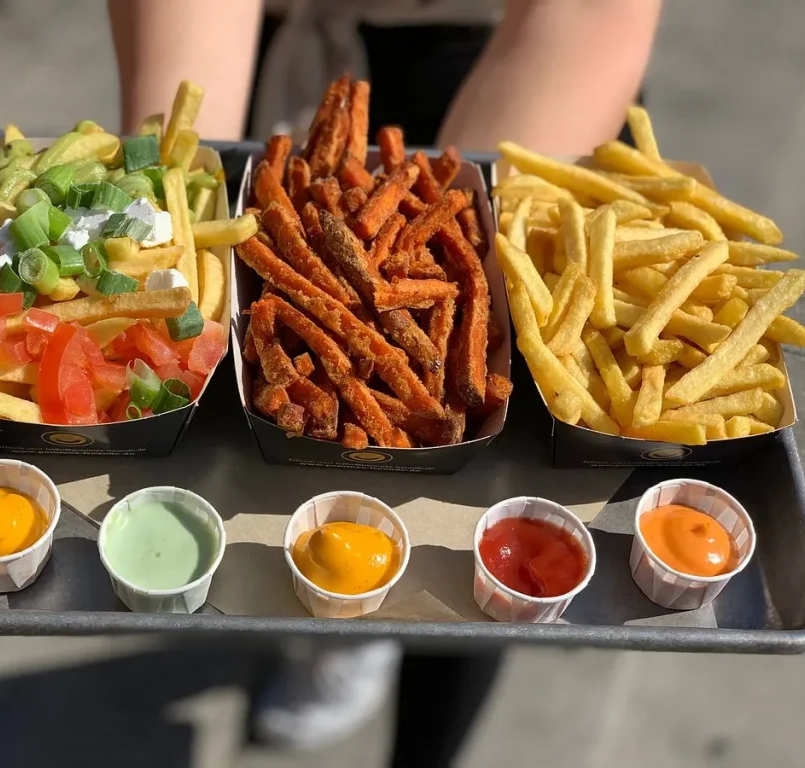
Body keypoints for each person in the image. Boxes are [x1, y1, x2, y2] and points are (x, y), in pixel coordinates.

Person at [108, 0, 662, 761]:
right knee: (296, 479)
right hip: (266, 36)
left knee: (479, 543)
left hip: (512, 50)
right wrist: (165, 194)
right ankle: (334, 606)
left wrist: (482, 227)